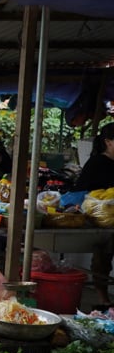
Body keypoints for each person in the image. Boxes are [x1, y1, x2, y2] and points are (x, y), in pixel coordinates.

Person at [73, 121, 114, 305]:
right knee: (103, 257)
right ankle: (103, 298)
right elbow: (81, 193)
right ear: (109, 142)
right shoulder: (96, 163)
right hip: (100, 222)